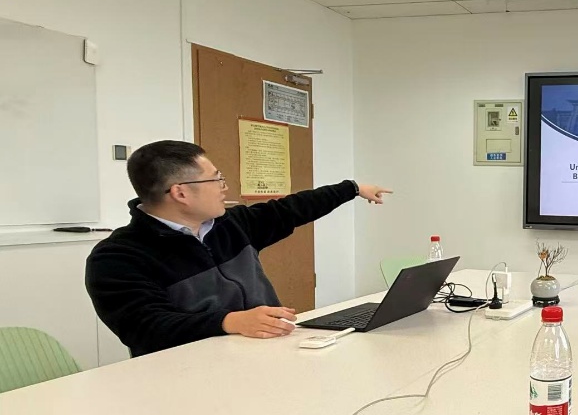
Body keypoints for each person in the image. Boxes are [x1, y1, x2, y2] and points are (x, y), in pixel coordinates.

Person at [86, 140, 392, 357]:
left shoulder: (230, 225)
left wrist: (352, 189)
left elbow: (291, 209)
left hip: (265, 354)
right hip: (187, 373)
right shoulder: (117, 257)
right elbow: (144, 327)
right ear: (180, 193)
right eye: (216, 179)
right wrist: (229, 321)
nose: (225, 187)